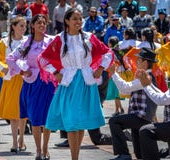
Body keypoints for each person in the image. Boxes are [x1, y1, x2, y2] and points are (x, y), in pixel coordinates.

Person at [38, 8, 113, 160]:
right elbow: (43, 58)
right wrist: (55, 72)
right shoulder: (60, 38)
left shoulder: (89, 37)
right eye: (75, 19)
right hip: (69, 83)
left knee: (80, 122)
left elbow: (107, 52)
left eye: (80, 19)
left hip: (86, 82)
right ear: (67, 21)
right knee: (72, 122)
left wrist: (100, 68)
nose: (79, 22)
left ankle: (75, 157)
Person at [6, 14, 55, 160]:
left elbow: (60, 57)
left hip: (48, 83)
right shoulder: (27, 43)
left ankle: (46, 149)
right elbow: (10, 58)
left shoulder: (51, 41)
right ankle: (38, 151)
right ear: (32, 25)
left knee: (47, 118)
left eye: (44, 23)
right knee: (34, 116)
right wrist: (22, 71)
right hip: (32, 83)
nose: (42, 25)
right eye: (38, 22)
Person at [0, 16, 27, 153]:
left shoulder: (28, 41)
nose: (24, 28)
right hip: (10, 80)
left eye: (25, 26)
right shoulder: (4, 42)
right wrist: (1, 67)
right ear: (13, 26)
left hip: (26, 80)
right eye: (21, 25)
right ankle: (15, 142)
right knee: (14, 112)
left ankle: (21, 138)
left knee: (23, 112)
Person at [108, 47, 158, 160]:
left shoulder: (145, 77)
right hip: (140, 116)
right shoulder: (144, 76)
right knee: (140, 154)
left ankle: (124, 154)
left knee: (114, 122)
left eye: (139, 60)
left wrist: (114, 74)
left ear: (145, 63)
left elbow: (125, 88)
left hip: (141, 117)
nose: (136, 62)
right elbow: (125, 89)